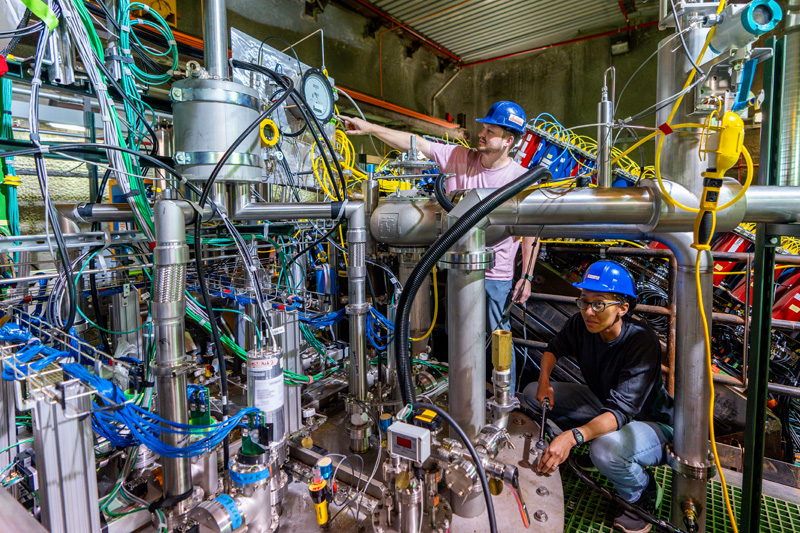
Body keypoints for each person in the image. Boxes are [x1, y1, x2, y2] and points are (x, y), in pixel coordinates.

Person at [341, 101, 539, 394]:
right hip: (454, 268)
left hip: (495, 276)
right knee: (456, 335)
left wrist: (528, 276)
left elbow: (530, 234)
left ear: (508, 141)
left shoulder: (519, 178)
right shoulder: (461, 158)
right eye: (482, 127)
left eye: (490, 131)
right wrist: (368, 127)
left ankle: (502, 400)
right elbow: (417, 143)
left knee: (497, 337)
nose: (481, 134)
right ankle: (461, 394)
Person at [519, 260, 674, 533]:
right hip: (606, 407)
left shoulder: (641, 340)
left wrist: (572, 436)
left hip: (652, 424)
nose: (589, 311)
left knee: (604, 448)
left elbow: (621, 412)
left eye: (599, 303)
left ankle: (641, 493)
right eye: (584, 301)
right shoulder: (582, 323)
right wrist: (544, 382)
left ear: (623, 308)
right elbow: (553, 349)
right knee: (532, 393)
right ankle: (592, 451)